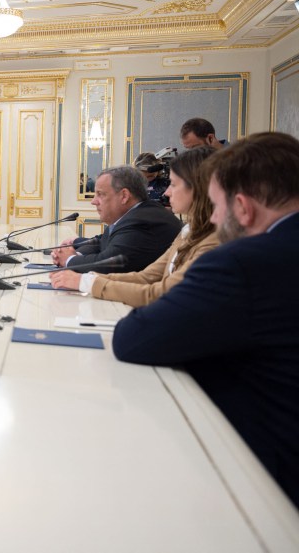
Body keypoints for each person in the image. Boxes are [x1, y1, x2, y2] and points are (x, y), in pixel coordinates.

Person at [112, 132, 299, 507]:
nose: (213, 218)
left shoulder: (242, 262)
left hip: (268, 486)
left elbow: (134, 338)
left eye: (215, 205)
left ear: (243, 208)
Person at [50, 147, 219, 305]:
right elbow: (145, 277)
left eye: (173, 184)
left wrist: (85, 282)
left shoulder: (214, 243)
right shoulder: (187, 232)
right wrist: (84, 279)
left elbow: (161, 293)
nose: (166, 192)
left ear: (199, 188)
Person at [51, 165, 181, 273]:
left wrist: (69, 260)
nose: (94, 202)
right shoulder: (135, 214)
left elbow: (107, 263)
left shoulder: (143, 220)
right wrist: (74, 253)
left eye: (100, 194)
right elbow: (103, 241)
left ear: (124, 196)